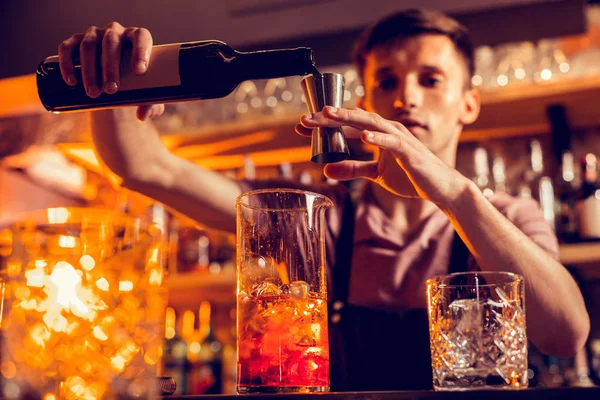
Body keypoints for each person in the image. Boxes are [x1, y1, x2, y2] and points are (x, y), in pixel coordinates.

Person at [56, 9, 589, 390]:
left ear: (468, 104)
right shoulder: (317, 218)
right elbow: (143, 167)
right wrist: (112, 83)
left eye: (431, 80)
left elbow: (565, 334)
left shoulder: (507, 217)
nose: (406, 97)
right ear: (362, 102)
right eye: (388, 81)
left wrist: (454, 194)